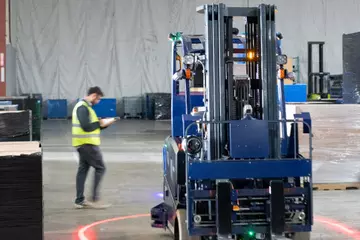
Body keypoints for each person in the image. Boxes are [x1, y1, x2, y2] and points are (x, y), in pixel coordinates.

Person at [72, 86, 117, 209]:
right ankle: (95, 198)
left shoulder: (87, 108)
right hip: (87, 144)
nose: (98, 102)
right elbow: (86, 126)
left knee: (83, 170)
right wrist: (99, 123)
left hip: (84, 144)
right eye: (98, 99)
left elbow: (94, 127)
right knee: (100, 168)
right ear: (93, 95)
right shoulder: (82, 107)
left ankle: (79, 200)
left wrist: (106, 124)